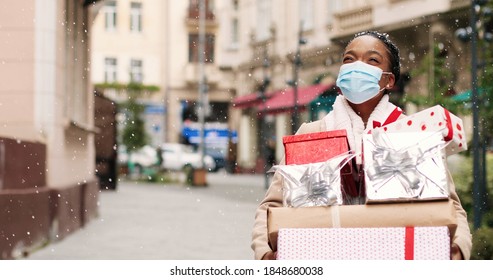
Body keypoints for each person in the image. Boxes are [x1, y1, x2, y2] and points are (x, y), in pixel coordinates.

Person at [251, 30, 472, 260]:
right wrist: (265, 254)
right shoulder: (314, 132)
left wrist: (458, 251)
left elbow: (451, 206)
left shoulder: (411, 134)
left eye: (372, 60)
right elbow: (271, 206)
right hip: (324, 258)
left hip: (393, 259)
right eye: (349, 59)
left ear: (389, 79)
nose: (357, 66)